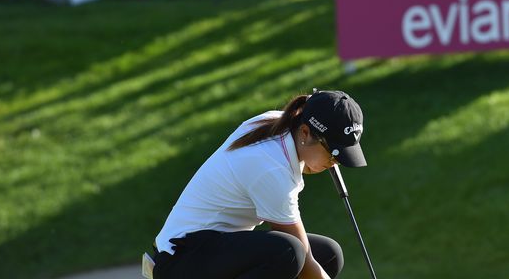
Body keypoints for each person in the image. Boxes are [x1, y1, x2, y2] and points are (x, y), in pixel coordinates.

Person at [152, 90, 367, 279]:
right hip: (180, 259)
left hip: (213, 247)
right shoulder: (272, 167)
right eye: (332, 154)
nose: (334, 163)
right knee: (290, 252)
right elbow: (305, 258)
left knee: (328, 255)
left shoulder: (281, 124)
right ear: (304, 133)